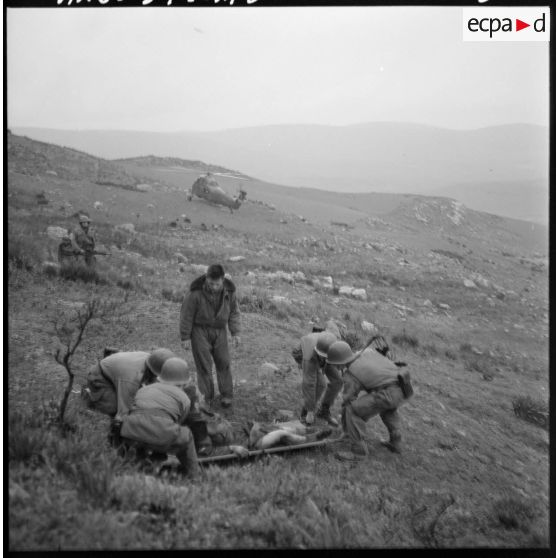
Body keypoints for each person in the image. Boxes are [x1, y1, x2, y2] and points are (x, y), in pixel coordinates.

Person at [325, 341, 411, 462]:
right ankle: (396, 443)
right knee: (387, 410)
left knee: (353, 410)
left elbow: (348, 401)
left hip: (389, 392)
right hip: (403, 386)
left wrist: (347, 429)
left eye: (334, 364)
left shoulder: (351, 374)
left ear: (340, 362)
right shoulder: (366, 352)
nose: (335, 367)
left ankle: (358, 452)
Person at [119, 358, 201, 478]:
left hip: (130, 431)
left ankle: (136, 468)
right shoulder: (184, 398)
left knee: (144, 436)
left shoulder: (144, 389)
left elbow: (134, 410)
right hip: (161, 432)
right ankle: (195, 475)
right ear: (183, 384)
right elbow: (175, 424)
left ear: (160, 377)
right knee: (185, 435)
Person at [179, 263, 241, 408]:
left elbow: (234, 312)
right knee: (204, 365)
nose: (214, 287)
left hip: (220, 330)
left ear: (223, 279)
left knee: (223, 362)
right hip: (199, 330)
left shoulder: (230, 291)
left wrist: (236, 332)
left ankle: (226, 395)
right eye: (211, 283)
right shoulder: (195, 292)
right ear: (206, 278)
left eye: (217, 284)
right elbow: (186, 315)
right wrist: (185, 337)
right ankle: (207, 398)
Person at [82, 348, 176, 421]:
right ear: (154, 372)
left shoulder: (152, 360)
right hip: (100, 379)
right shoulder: (131, 379)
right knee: (115, 409)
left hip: (117, 373)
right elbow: (122, 415)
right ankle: (90, 396)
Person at [292, 330, 342, 426]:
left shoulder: (334, 344)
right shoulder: (309, 355)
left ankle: (323, 411)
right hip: (302, 353)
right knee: (320, 384)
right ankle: (306, 414)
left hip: (325, 355)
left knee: (338, 381)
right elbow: (309, 383)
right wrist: (311, 411)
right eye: (321, 356)